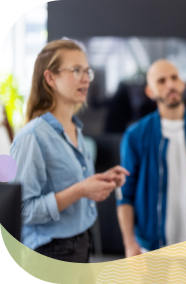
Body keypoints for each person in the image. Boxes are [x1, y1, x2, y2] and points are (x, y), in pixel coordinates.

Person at [9, 39, 129, 263]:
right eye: (76, 70)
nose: (85, 78)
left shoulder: (75, 128)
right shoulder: (32, 136)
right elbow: (22, 210)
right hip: (50, 253)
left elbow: (72, 185)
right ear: (50, 78)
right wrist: (81, 190)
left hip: (82, 243)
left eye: (87, 71)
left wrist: (97, 182)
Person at [117, 59, 186, 258]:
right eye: (161, 81)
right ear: (150, 92)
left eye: (174, 78)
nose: (170, 84)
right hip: (149, 250)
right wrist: (129, 244)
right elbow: (125, 194)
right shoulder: (135, 136)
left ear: (183, 83)